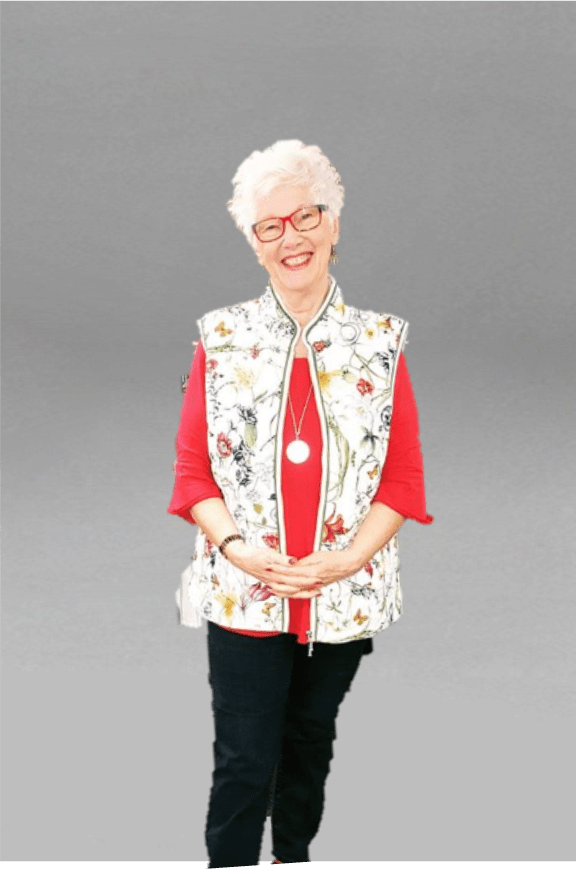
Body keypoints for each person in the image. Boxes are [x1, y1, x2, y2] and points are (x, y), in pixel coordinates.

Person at [167, 139, 434, 867]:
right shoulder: (220, 338)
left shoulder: (380, 342)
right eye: (270, 226)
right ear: (254, 243)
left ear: (333, 222)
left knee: (309, 745)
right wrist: (239, 550)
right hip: (244, 590)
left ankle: (293, 857)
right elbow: (192, 474)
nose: (291, 237)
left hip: (341, 594)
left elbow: (402, 479)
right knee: (244, 757)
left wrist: (345, 560)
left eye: (305, 216)